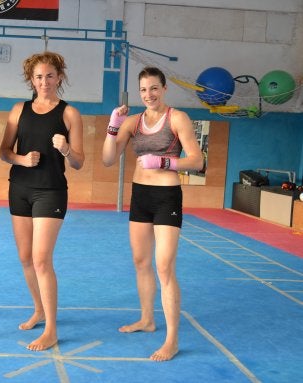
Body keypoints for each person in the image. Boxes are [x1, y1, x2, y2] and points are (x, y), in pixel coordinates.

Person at [102, 66, 204, 361]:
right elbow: (109, 159)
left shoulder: (177, 118)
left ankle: (171, 339)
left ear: (164, 89)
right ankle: (147, 320)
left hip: (166, 196)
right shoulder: (133, 122)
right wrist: (113, 126)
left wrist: (164, 162)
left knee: (164, 267)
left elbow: (197, 160)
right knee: (141, 261)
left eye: (154, 88)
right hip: (140, 197)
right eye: (144, 90)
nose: (149, 94)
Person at [0, 51, 84, 351]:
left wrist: (66, 151)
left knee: (41, 259)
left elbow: (79, 162)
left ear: (59, 77)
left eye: (49, 76)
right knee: (25, 257)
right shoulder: (18, 110)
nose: (44, 81)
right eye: (38, 77)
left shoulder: (69, 113)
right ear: (31, 80)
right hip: (19, 188)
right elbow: (4, 151)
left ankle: (51, 329)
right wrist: (21, 159)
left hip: (50, 191)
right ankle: (38, 308)